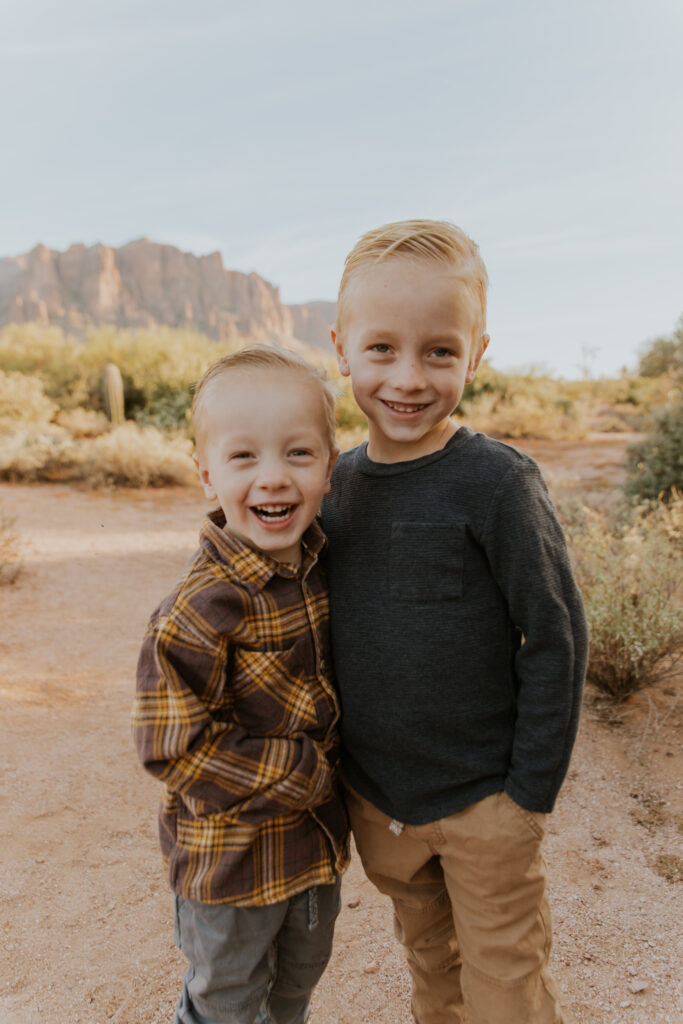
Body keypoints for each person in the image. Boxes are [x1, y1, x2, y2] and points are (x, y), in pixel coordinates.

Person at [322, 219, 589, 1024]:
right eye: (381, 350)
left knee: (504, 986)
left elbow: (554, 635)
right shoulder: (331, 485)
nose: (408, 377)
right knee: (431, 972)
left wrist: (526, 795)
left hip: (484, 805)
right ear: (340, 348)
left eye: (439, 352)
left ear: (474, 356)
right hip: (379, 802)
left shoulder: (495, 482)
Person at [133, 346, 349, 1024]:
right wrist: (303, 770)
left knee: (294, 988)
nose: (273, 479)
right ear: (206, 476)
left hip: (313, 852)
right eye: (244, 458)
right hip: (230, 865)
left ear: (329, 467)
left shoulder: (323, 564)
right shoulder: (199, 609)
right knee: (224, 1001)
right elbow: (172, 748)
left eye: (298, 454)